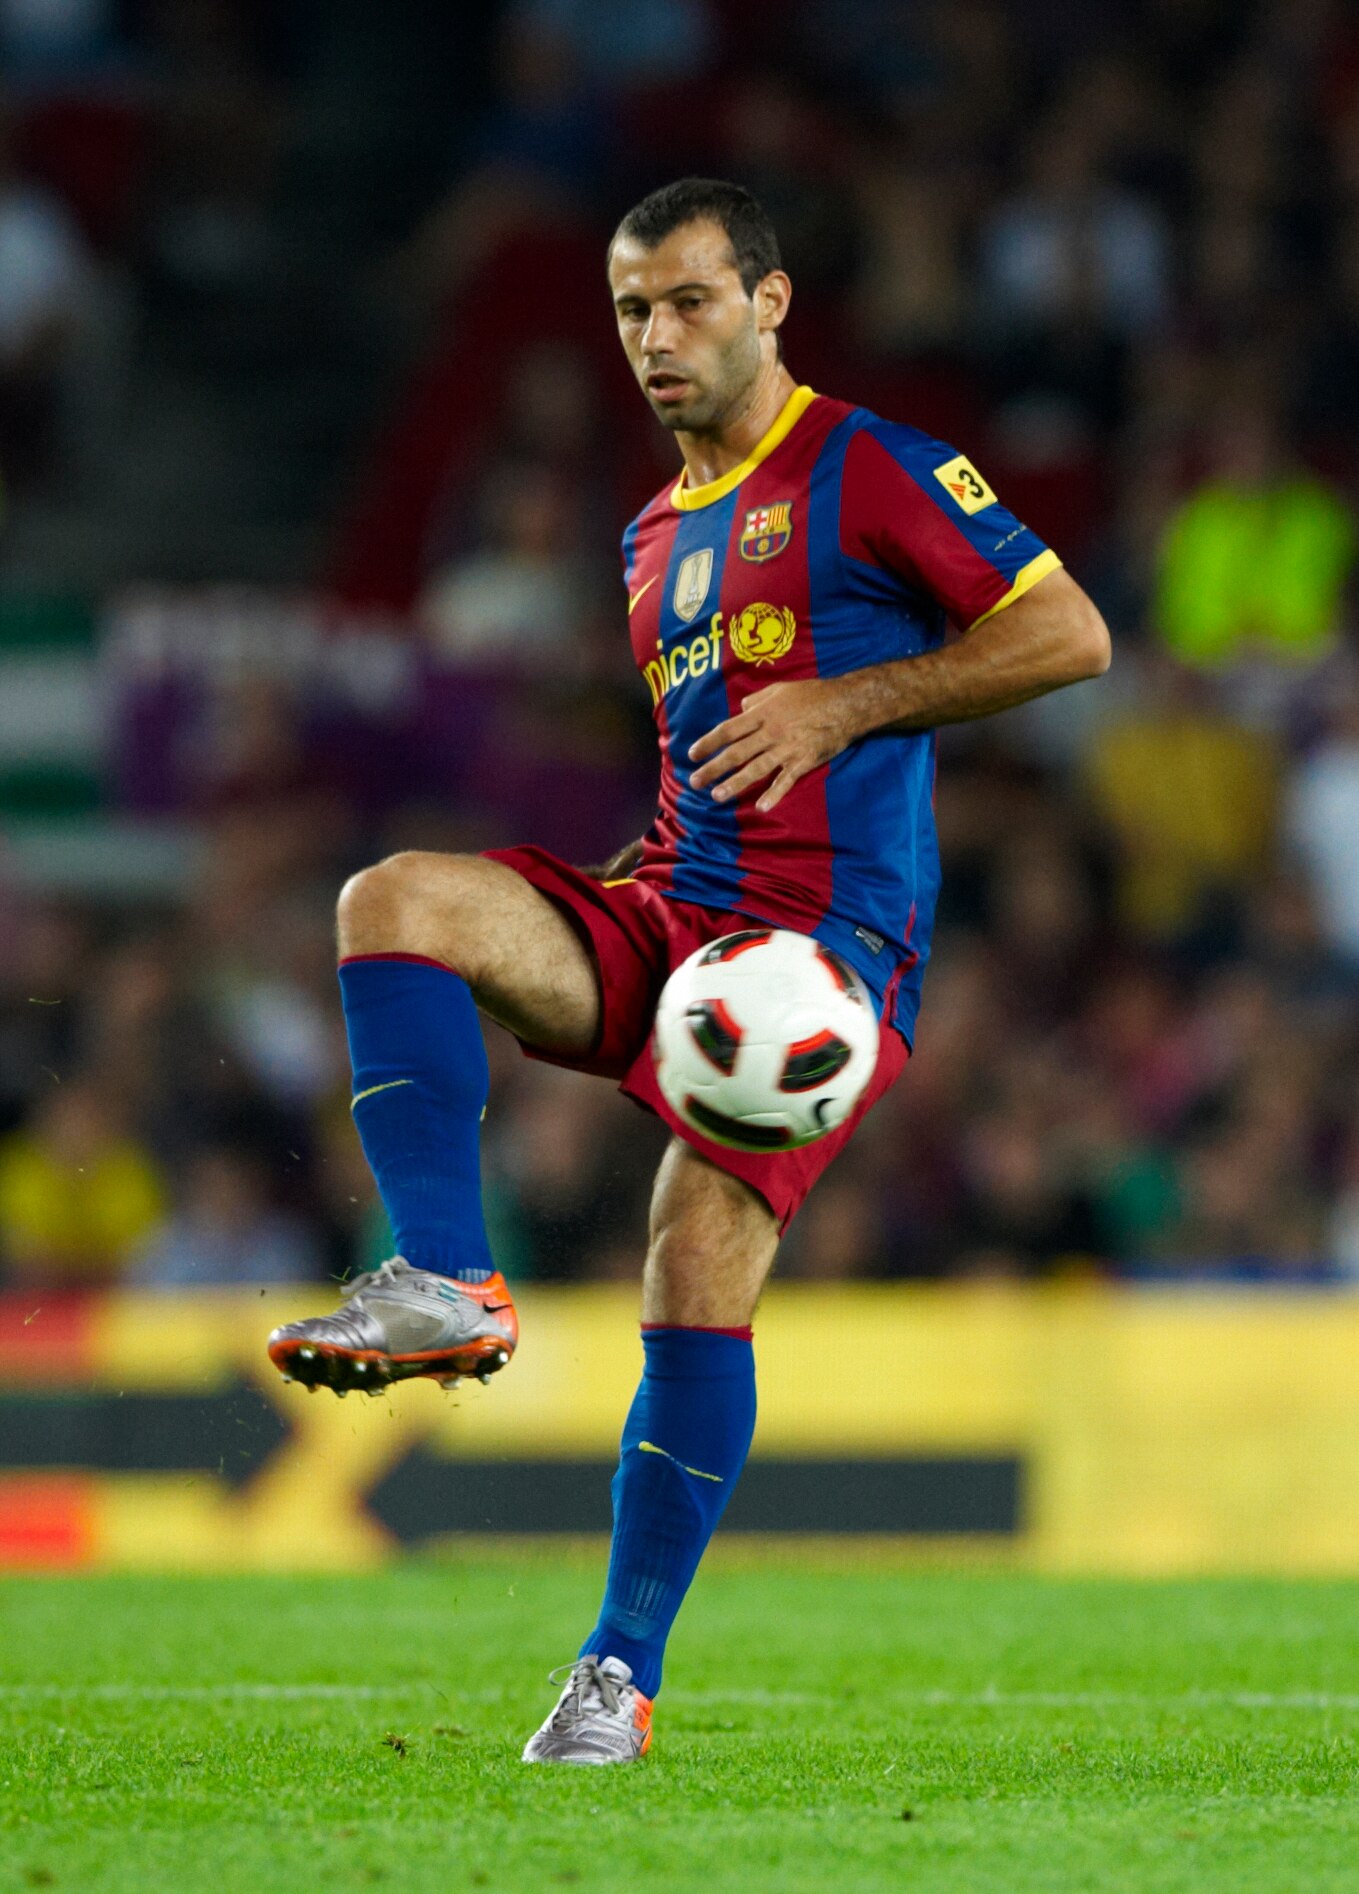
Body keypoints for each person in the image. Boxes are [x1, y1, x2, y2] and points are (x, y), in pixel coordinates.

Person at [266, 178, 1110, 1763]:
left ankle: (615, 1675)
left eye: (692, 301)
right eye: (633, 310)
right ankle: (449, 1273)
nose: (659, 336)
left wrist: (850, 706)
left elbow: (1070, 634)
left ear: (771, 302)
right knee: (396, 900)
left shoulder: (873, 466)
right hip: (668, 912)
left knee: (689, 1261)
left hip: (822, 962)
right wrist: (608, 897)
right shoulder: (652, 532)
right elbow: (699, 776)